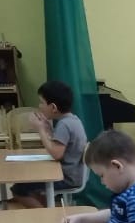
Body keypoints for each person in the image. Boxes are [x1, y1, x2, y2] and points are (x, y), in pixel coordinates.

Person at [12, 80, 88, 208]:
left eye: (42, 102)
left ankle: (46, 216)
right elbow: (61, 145)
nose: (39, 106)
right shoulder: (72, 120)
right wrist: (48, 129)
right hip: (72, 174)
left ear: (53, 107)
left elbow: (56, 154)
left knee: (18, 189)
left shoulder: (64, 125)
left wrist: (40, 129)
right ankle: (47, 211)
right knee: (30, 186)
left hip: (66, 178)